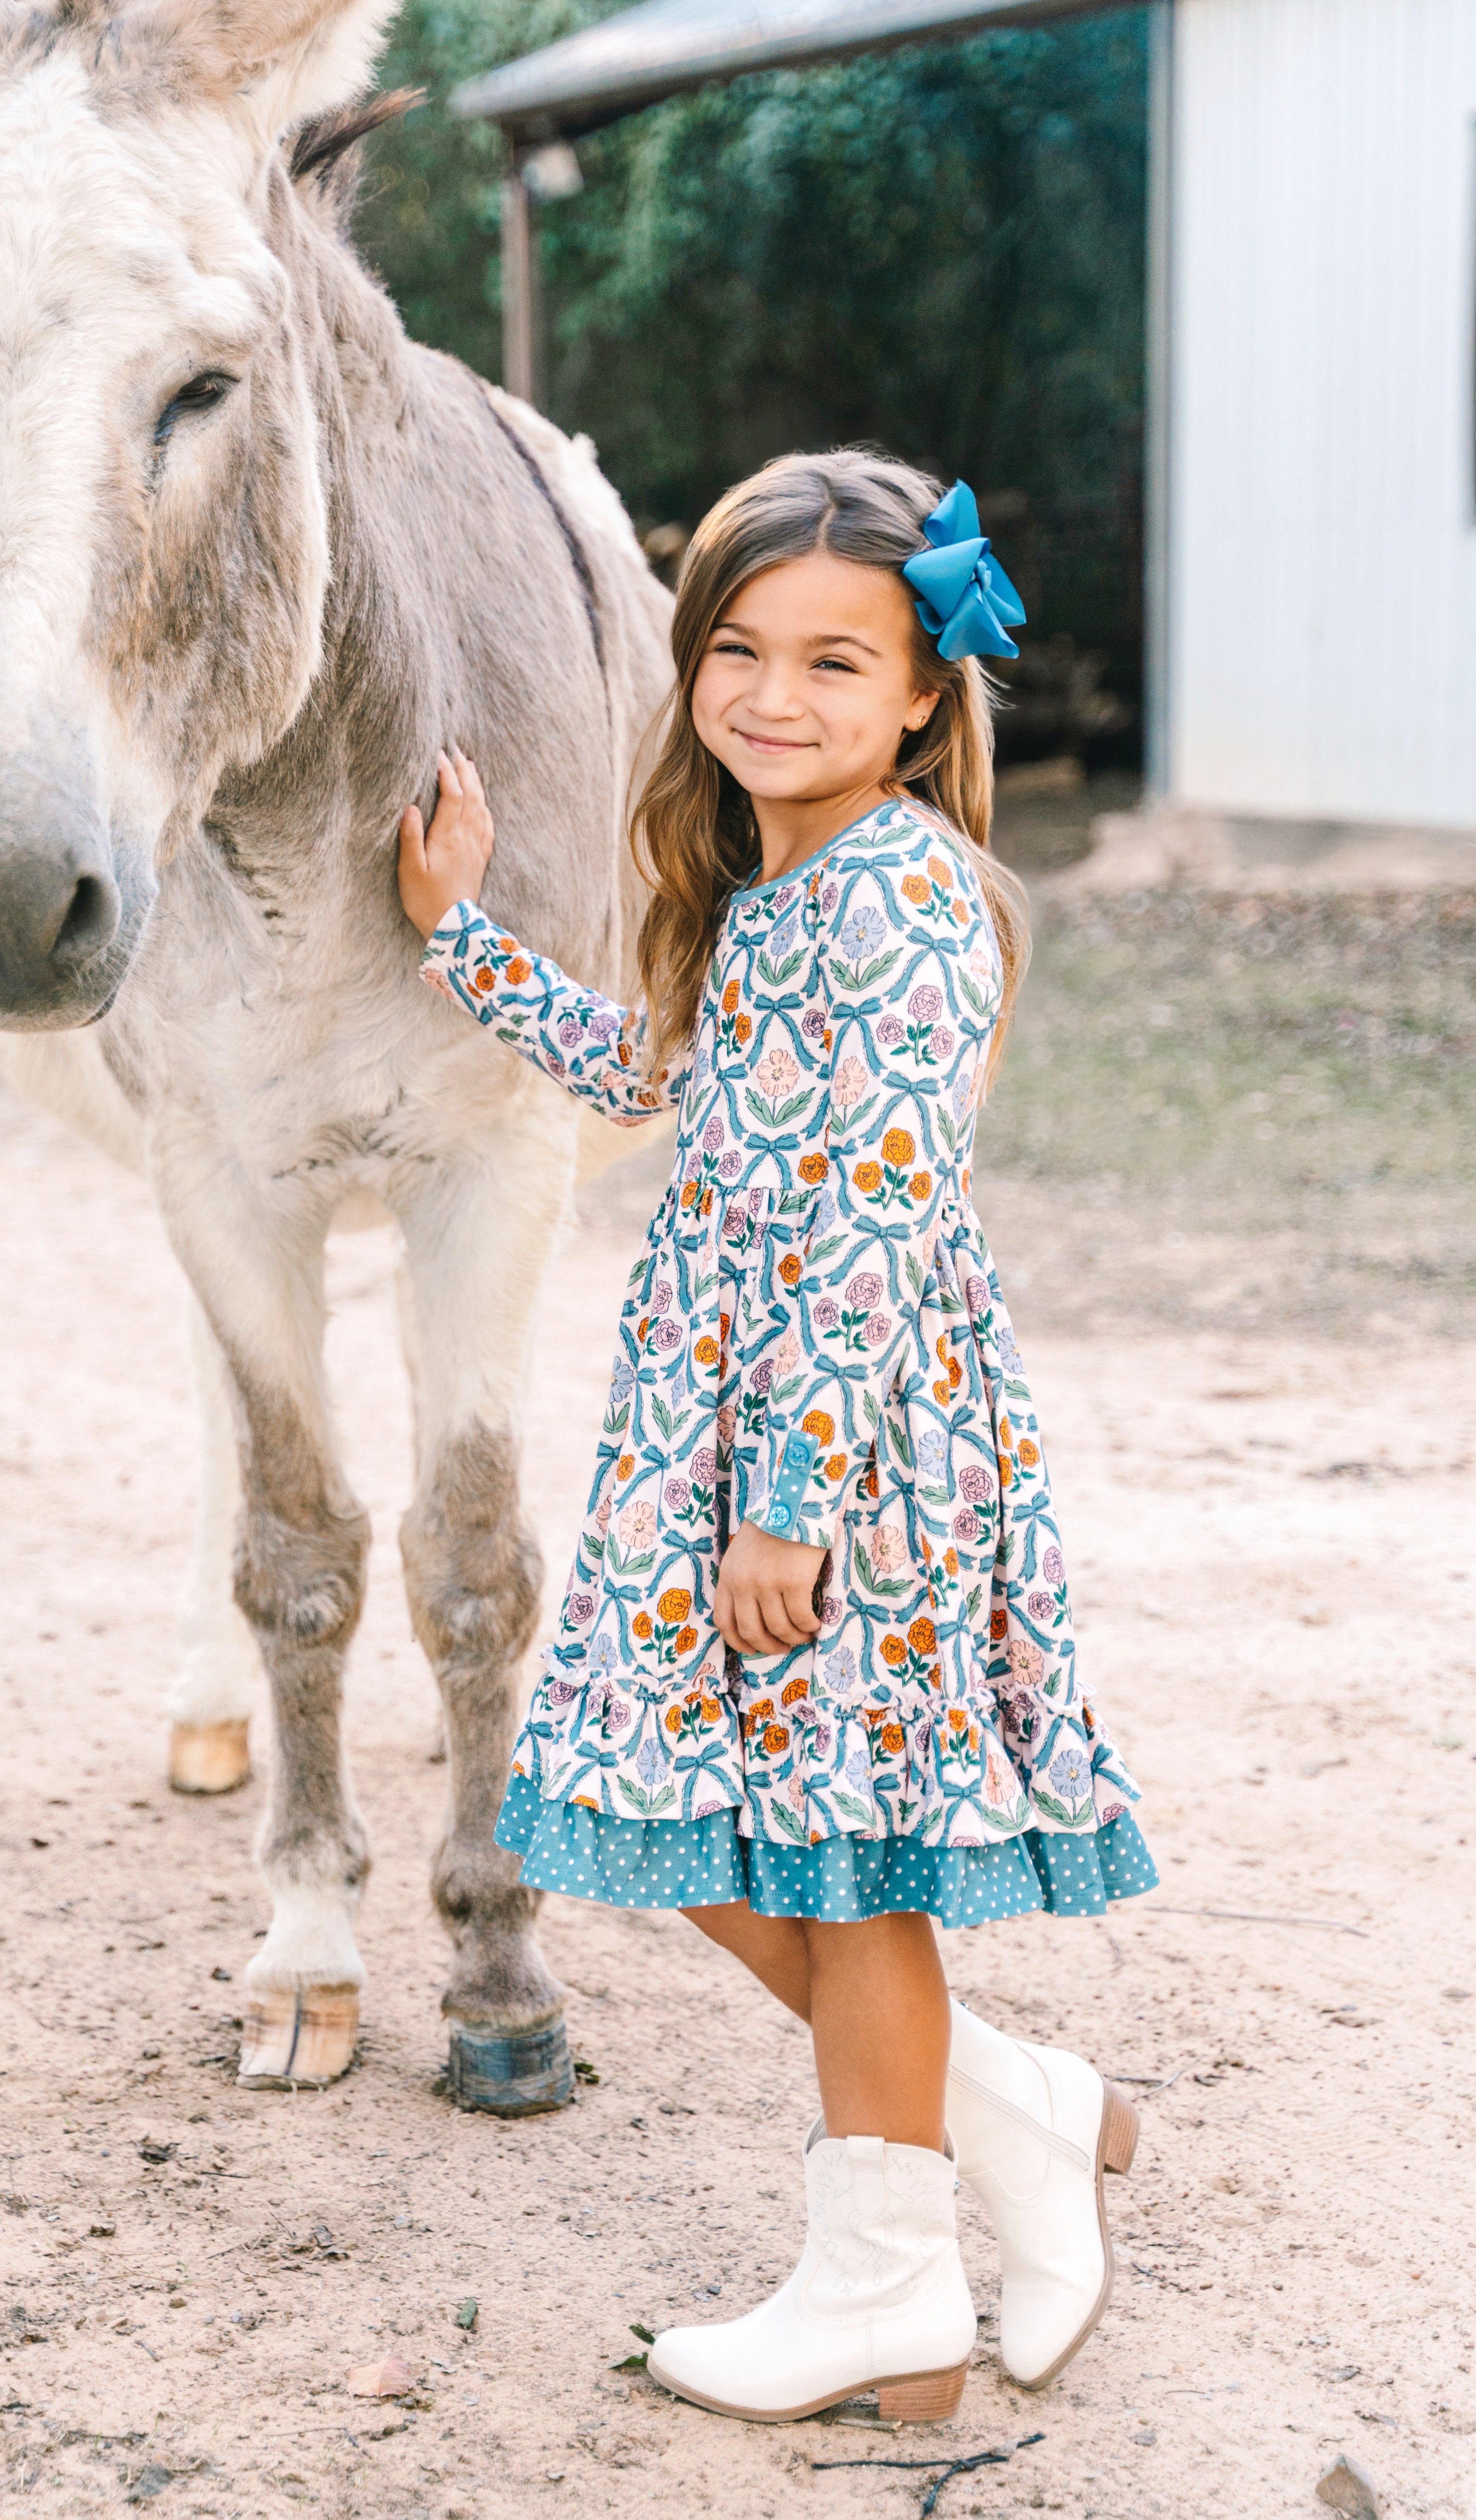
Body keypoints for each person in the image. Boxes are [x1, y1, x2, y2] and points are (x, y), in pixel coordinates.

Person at [397, 450, 1157, 2427]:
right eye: (738, 648)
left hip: (833, 1458)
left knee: (840, 1863)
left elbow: (875, 1218)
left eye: (837, 660)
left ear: (923, 695)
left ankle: (887, 2284)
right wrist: (463, 933)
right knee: (699, 1817)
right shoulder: (777, 890)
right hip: (723, 1435)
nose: (774, 695)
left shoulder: (903, 899)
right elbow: (652, 1077)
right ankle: (1011, 2109)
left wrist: (792, 1502)